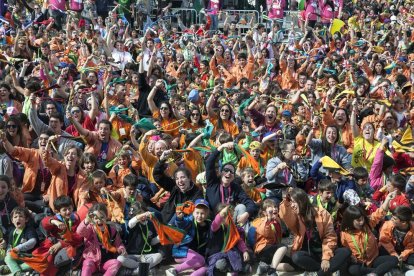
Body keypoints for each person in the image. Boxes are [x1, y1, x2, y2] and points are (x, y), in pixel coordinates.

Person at [279, 188, 351, 275]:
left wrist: (325, 258)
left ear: (302, 201)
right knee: (296, 257)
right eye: (290, 202)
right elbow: (285, 214)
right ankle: (325, 271)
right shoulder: (295, 216)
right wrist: (286, 199)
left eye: (294, 202)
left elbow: (330, 237)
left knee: (345, 252)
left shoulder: (322, 213)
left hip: (324, 252)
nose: (292, 205)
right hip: (310, 255)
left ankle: (319, 273)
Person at [341, 191, 399, 275]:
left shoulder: (367, 224)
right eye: (358, 220)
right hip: (359, 262)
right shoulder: (345, 233)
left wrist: (387, 200)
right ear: (350, 221)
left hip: (374, 259)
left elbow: (379, 213)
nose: (361, 222)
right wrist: (351, 257)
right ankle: (378, 271)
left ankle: (373, 274)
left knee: (394, 260)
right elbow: (346, 248)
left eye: (362, 219)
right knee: (352, 270)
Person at [153, 149, 203, 222]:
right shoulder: (174, 187)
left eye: (182, 177)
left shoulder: (196, 193)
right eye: (177, 178)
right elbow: (157, 176)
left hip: (182, 226)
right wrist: (161, 160)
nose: (180, 181)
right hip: (164, 221)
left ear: (189, 178)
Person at [77, 203, 126, 276]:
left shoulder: (112, 230)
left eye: (102, 217)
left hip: (105, 263)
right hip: (92, 261)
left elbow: (118, 244)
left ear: (106, 217)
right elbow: (79, 231)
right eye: (96, 218)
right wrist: (87, 220)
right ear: (92, 219)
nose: (99, 220)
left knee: (116, 263)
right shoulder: (90, 229)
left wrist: (122, 249)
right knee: (87, 264)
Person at [251, 199, 294, 275]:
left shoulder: (277, 220)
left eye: (275, 206)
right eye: (270, 208)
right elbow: (265, 232)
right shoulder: (261, 221)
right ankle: (272, 270)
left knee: (291, 266)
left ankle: (266, 266)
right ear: (264, 213)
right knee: (283, 247)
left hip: (273, 249)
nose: (274, 209)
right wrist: (268, 219)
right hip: (263, 250)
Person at [4, 207, 38, 275]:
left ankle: (11, 270)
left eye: (21, 216)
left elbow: (33, 241)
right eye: (15, 217)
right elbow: (9, 245)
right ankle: (18, 273)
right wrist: (8, 250)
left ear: (26, 219)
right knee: (8, 257)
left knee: (32, 265)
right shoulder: (12, 232)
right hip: (18, 257)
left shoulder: (29, 229)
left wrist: (18, 248)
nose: (18, 218)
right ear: (12, 220)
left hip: (30, 258)